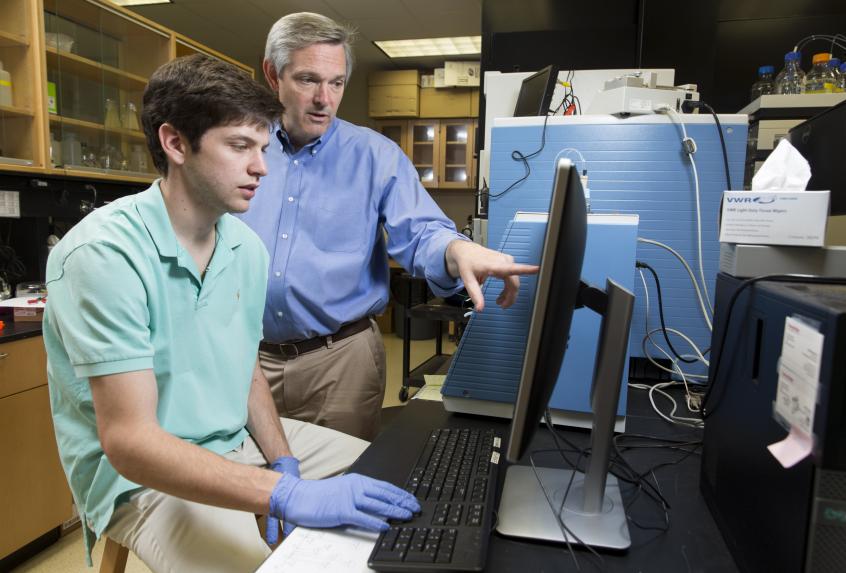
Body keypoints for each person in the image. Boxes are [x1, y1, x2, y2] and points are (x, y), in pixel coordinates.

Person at [43, 54, 419, 573]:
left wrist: (282, 461)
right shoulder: (103, 255)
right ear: (175, 143)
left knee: (397, 474)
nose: (261, 166)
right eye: (240, 146)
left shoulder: (244, 247)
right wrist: (281, 493)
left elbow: (242, 369)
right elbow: (130, 442)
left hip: (230, 441)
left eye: (263, 147)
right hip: (140, 478)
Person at [239, 12, 539, 441]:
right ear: (273, 74)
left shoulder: (375, 156)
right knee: (254, 491)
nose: (325, 98)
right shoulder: (242, 147)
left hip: (339, 362)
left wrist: (456, 251)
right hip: (244, 357)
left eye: (337, 82)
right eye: (308, 80)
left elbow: (420, 232)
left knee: (340, 489)